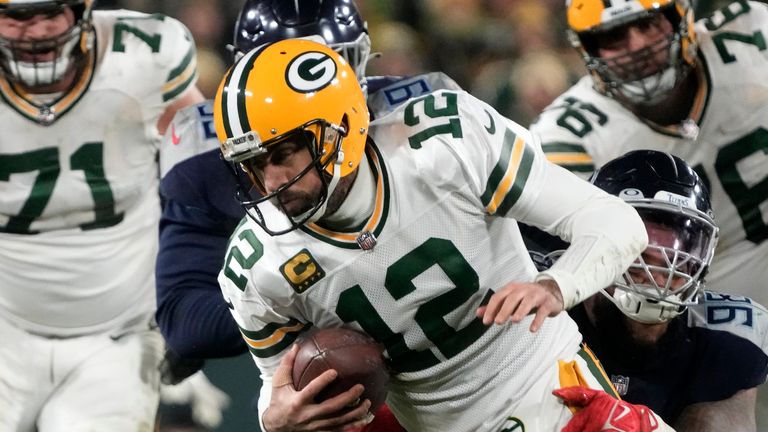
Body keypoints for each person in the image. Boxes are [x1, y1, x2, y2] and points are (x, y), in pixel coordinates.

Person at [210, 37, 673, 432]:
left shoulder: (443, 145)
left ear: (342, 130)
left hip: (558, 397)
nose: (269, 182)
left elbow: (616, 222)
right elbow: (279, 392)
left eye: (283, 153)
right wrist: (274, 422)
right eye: (251, 164)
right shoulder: (258, 266)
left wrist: (557, 284)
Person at [155, 1, 458, 429]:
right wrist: (330, 297)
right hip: (343, 386)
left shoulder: (418, 114)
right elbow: (186, 321)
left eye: (335, 67)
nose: (317, 97)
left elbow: (521, 224)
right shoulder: (206, 158)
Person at [0, 0, 203, 430]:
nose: (34, 32)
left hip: (119, 337)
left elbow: (205, 182)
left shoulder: (144, 56)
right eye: (15, 16)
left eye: (48, 13)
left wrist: (188, 300)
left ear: (80, 10)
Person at [530, 0, 768, 309]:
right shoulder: (568, 136)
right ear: (588, 48)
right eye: (613, 36)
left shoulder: (753, 36)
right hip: (693, 310)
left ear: (679, 16)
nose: (638, 47)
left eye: (648, 24)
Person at [535, 150, 768, 431]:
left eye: (682, 248)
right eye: (640, 244)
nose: (661, 266)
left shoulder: (726, 341)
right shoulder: (540, 298)